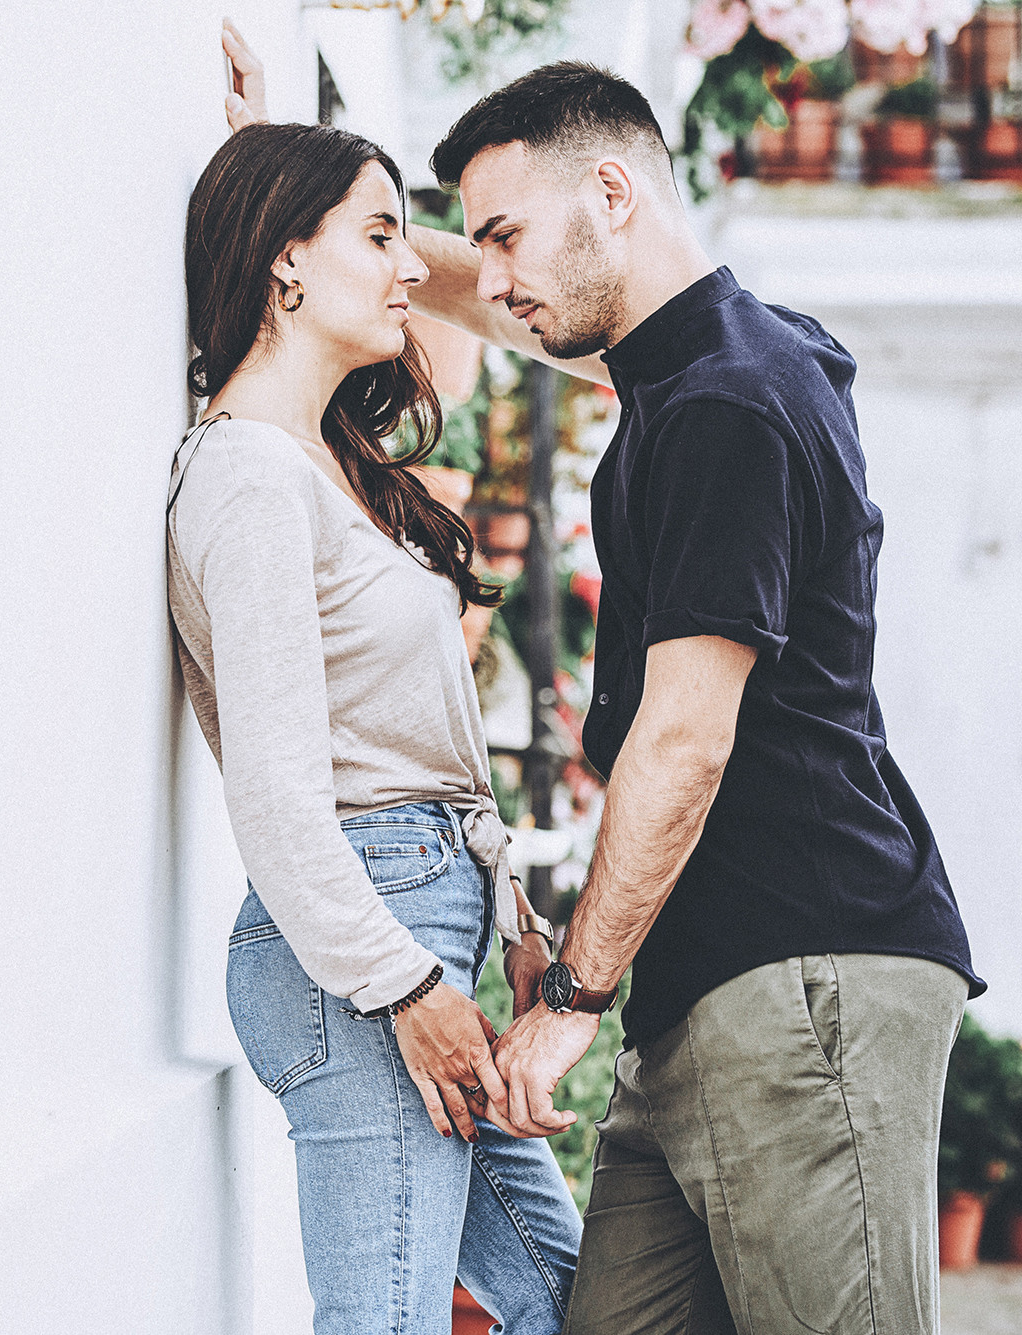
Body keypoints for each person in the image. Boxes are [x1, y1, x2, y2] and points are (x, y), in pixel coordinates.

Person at [221, 29, 984, 1335]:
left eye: (507, 235)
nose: (491, 274)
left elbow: (684, 741)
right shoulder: (709, 363)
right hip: (697, 996)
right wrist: (298, 187)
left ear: (613, 198)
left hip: (806, 975)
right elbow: (498, 296)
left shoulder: (729, 405)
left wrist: (571, 999)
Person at [170, 114, 582, 1335]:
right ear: (284, 262)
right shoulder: (247, 478)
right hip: (359, 947)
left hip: (416, 915)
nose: (415, 268)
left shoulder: (328, 467)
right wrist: (405, 987)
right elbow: (279, 797)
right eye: (382, 233)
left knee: (581, 1299)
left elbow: (422, 753)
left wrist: (506, 916)